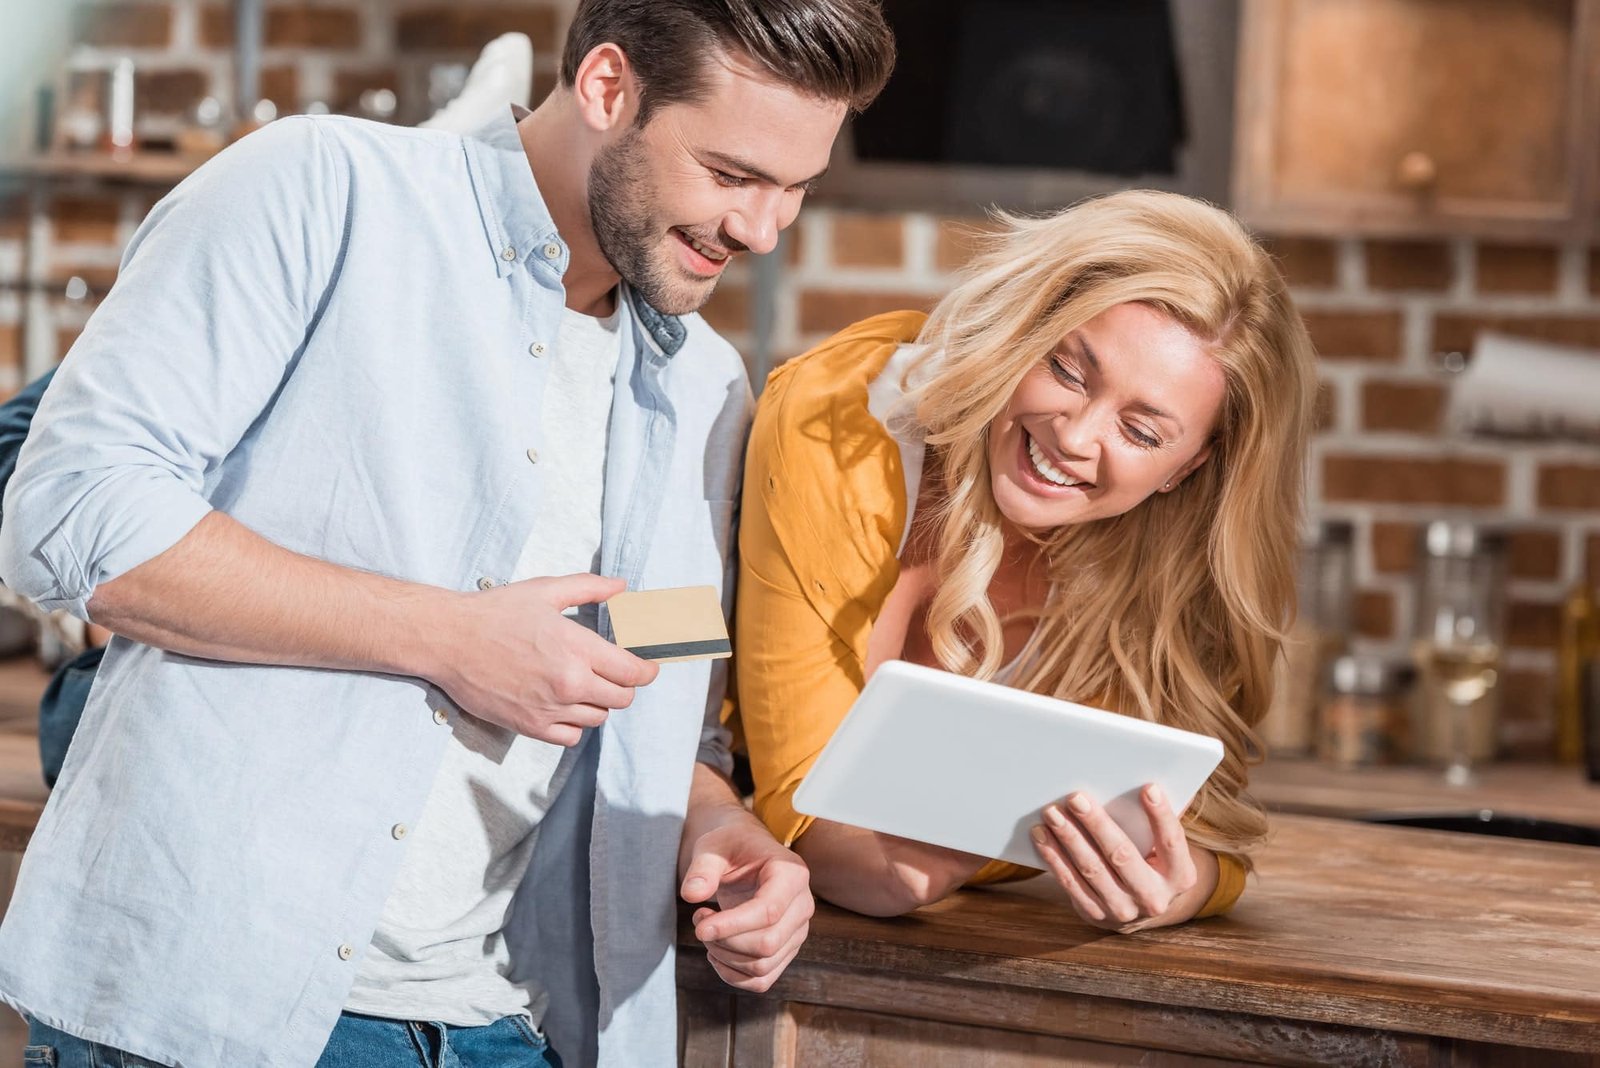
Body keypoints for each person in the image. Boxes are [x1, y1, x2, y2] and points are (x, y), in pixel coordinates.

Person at [0, 4, 895, 1068]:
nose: (761, 229)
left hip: (508, 1021)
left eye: (796, 189)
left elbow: (658, 681)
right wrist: (448, 638)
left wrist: (719, 829)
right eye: (732, 174)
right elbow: (71, 510)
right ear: (608, 88)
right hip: (213, 1007)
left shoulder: (705, 388)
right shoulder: (324, 189)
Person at [732, 190, 1317, 931]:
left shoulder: (1174, 564)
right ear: (1025, 329)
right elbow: (798, 804)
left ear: (1190, 466)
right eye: (1070, 372)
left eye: (1141, 431)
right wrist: (910, 873)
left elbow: (1209, 827)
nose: (1075, 436)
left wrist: (1175, 887)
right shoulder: (842, 423)